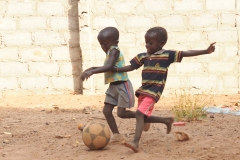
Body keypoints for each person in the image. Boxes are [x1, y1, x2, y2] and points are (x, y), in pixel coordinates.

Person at [113, 26, 216, 153]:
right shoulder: (143, 56)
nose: (147, 45)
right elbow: (130, 67)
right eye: (146, 42)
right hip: (143, 91)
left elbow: (185, 53)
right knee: (143, 118)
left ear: (161, 43)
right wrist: (116, 69)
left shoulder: (167, 55)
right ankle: (166, 120)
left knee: (139, 114)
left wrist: (206, 51)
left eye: (150, 43)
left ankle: (135, 143)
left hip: (154, 92)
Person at [81, 27, 144, 143]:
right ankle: (116, 135)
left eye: (105, 44)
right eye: (101, 45)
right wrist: (90, 69)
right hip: (113, 87)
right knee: (106, 111)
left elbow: (109, 67)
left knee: (122, 113)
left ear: (115, 42)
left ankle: (143, 117)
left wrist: (92, 71)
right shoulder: (109, 52)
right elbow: (106, 67)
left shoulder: (114, 50)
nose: (103, 47)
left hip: (122, 86)